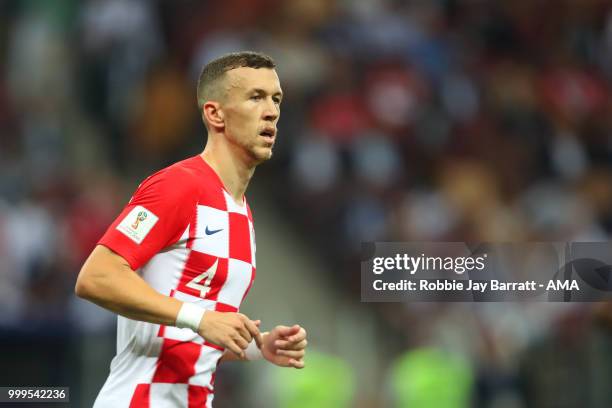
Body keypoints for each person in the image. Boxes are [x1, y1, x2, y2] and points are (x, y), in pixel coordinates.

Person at [75, 51, 308, 407]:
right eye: (255, 97)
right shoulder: (177, 186)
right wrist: (200, 319)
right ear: (215, 114)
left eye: (276, 99)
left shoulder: (242, 213)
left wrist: (257, 347)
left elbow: (188, 335)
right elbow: (96, 277)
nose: (272, 111)